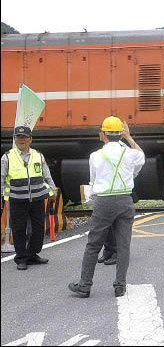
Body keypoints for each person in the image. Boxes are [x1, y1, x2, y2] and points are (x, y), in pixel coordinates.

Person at [68, 116, 145, 298]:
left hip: (104, 202)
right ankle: (120, 286)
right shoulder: (130, 153)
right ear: (121, 133)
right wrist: (130, 138)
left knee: (93, 245)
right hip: (125, 201)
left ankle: (85, 285)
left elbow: (93, 181)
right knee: (123, 245)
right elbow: (141, 157)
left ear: (102, 134)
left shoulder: (95, 156)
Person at [1, 126, 56, 270]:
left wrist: (53, 189)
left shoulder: (38, 155)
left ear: (30, 139)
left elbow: (46, 175)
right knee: (19, 228)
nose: (21, 140)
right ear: (15, 139)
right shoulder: (7, 157)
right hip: (17, 199)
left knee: (38, 228)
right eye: (18, 137)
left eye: (24, 137)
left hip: (37, 198)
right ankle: (21, 258)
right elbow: (1, 178)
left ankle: (32, 254)